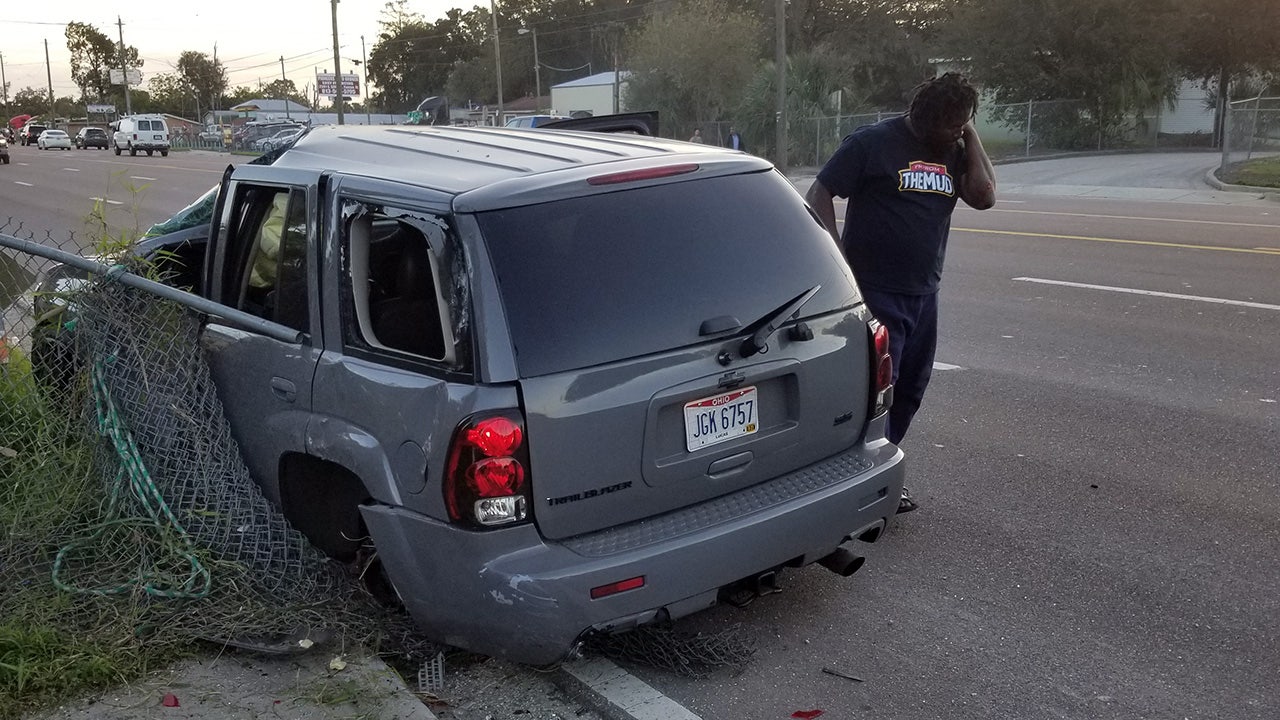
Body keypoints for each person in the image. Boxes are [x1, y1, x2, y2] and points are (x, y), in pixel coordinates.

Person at [805, 72, 996, 514]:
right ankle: (866, 479)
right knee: (877, 390)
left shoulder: (954, 149)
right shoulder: (872, 143)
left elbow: (984, 197)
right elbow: (819, 193)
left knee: (911, 386)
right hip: (875, 290)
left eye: (962, 122)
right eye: (949, 123)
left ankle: (879, 468)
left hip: (923, 292)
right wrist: (839, 261)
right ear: (922, 116)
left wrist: (969, 136)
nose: (955, 130)